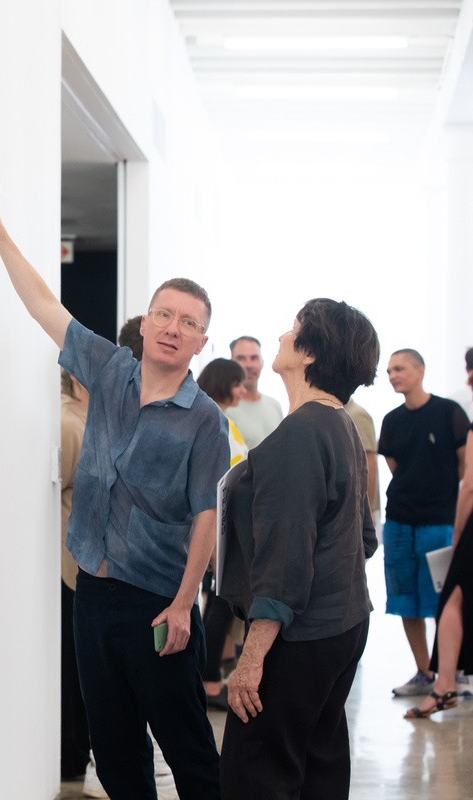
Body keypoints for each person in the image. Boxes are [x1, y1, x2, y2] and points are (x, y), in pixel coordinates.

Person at [0, 173, 228, 800]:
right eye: (162, 313)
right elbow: (42, 306)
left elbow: (206, 516)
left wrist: (185, 605)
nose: (170, 326)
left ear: (200, 341)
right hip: (91, 591)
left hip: (155, 603)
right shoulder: (109, 371)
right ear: (145, 322)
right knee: (113, 747)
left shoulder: (204, 420)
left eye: (186, 321)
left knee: (187, 746)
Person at [217, 298, 380, 800]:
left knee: (256, 773)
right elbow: (364, 537)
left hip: (302, 635)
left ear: (310, 353)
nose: (283, 337)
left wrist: (251, 658)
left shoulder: (303, 432)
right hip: (344, 624)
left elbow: (286, 558)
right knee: (318, 766)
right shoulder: (341, 425)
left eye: (293, 330)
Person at [379, 348, 469, 697]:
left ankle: (453, 672)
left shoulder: (449, 412)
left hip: (439, 522)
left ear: (420, 370)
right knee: (406, 600)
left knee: (445, 602)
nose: (392, 376)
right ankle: (423, 672)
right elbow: (396, 467)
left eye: (399, 368)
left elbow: (463, 467)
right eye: (388, 371)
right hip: (400, 521)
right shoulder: (392, 419)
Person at [405, 347, 473, 718]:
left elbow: (470, 486)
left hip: (460, 521)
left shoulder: (458, 417)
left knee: (452, 599)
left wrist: (459, 529)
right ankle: (445, 682)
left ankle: (445, 683)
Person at [195, 358, 249, 710]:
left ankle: (208, 678)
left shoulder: (220, 418)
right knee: (217, 608)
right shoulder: (211, 419)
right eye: (238, 383)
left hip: (226, 528)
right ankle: (209, 682)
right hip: (218, 529)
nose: (244, 390)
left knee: (218, 607)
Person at [59, 370, 91, 781]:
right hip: (71, 567)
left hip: (89, 568)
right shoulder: (67, 423)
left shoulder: (91, 417)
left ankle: (78, 753)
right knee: (72, 670)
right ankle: (70, 757)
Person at [226, 336, 284, 448]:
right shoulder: (224, 409)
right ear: (231, 363)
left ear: (262, 362)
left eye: (254, 358)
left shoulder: (274, 405)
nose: (248, 365)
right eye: (241, 358)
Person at [344, 397, 381, 523]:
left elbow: (369, 462)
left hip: (359, 509)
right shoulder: (336, 413)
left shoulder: (356, 414)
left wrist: (367, 509)